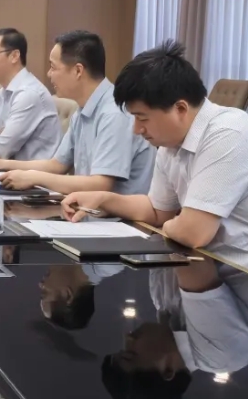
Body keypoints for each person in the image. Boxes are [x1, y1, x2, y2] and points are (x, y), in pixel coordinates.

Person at [62, 41, 248, 269]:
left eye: (142, 118)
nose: (136, 129)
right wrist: (104, 200)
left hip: (237, 270)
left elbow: (193, 233)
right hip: (204, 264)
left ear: (180, 109)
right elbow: (158, 211)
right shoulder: (170, 141)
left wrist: (171, 225)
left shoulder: (228, 133)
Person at [0, 31, 154, 195]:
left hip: (117, 216)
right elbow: (57, 165)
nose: (49, 74)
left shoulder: (114, 113)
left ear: (78, 71)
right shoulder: (82, 110)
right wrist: (3, 164)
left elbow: (100, 184)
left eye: (53, 67)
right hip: (88, 209)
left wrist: (33, 178)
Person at [101, 260, 248, 399]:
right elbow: (190, 256)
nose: (128, 337)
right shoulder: (216, 354)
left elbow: (156, 245)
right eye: (130, 354)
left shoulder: (160, 300)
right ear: (168, 371)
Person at [0, 28, 61, 160]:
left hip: (31, 172)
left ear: (14, 56)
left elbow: (1, 151)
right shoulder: (2, 92)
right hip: (3, 169)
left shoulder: (29, 94)